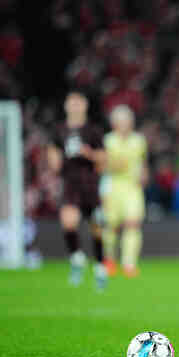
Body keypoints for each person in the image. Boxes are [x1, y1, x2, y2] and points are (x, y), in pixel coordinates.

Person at [48, 91, 107, 289]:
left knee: (96, 228)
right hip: (70, 183)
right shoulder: (59, 131)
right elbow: (53, 154)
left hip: (90, 183)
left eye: (78, 102)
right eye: (71, 102)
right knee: (68, 222)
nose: (74, 106)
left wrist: (88, 153)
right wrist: (53, 160)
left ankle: (100, 268)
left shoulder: (93, 131)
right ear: (66, 106)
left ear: (85, 106)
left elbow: (103, 159)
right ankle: (77, 258)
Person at [101, 105, 147, 277]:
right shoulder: (108, 141)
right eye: (121, 121)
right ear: (115, 123)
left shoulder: (139, 141)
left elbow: (142, 163)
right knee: (110, 226)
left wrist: (144, 175)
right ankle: (109, 260)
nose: (125, 124)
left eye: (128, 121)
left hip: (132, 187)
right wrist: (114, 165)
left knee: (133, 223)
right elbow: (102, 165)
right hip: (113, 185)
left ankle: (129, 263)